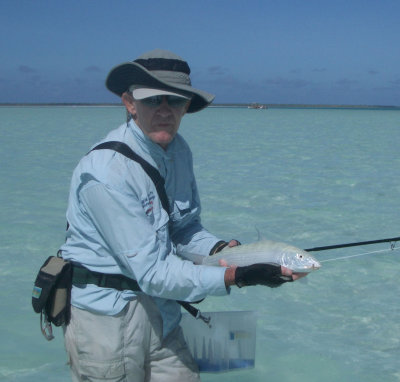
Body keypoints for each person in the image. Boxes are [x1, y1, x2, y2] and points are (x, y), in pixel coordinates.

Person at [60, 49, 298, 382]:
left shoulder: (179, 150)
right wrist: (237, 276)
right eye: (153, 99)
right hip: (107, 325)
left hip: (165, 310)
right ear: (130, 103)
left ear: (186, 106)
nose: (165, 111)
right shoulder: (107, 172)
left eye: (175, 101)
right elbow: (153, 271)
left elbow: (184, 228)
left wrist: (220, 253)